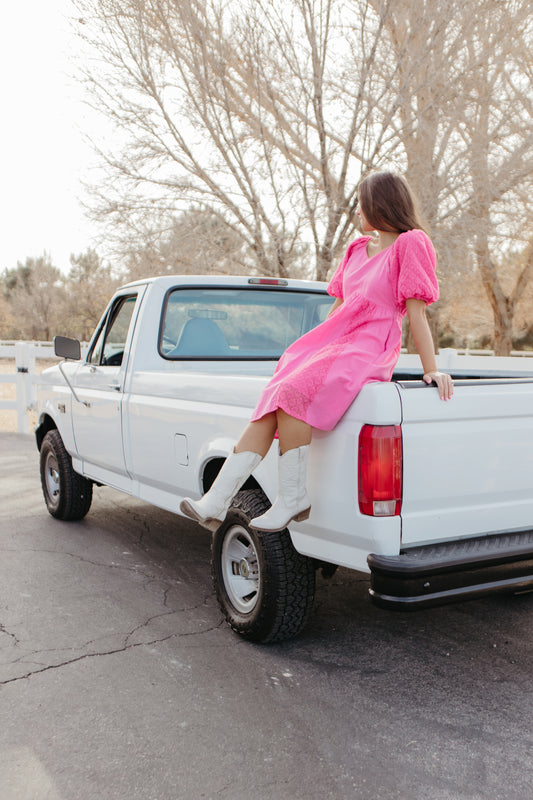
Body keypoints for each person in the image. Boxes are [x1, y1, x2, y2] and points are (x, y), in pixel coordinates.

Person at [180, 171, 454, 533]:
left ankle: (292, 497)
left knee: (293, 391)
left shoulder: (411, 243)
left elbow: (417, 313)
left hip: (370, 346)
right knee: (278, 393)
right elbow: (338, 309)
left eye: (361, 204)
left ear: (379, 204)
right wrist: (316, 351)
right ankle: (216, 501)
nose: (357, 213)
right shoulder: (356, 249)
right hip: (337, 340)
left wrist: (431, 368)